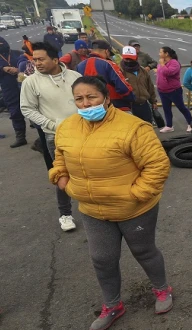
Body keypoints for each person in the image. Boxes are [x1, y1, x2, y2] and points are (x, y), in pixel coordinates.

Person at [49, 76, 173, 330]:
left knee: (144, 251)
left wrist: (135, 194)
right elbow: (60, 156)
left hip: (134, 209)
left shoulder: (133, 127)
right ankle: (113, 305)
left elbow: (157, 165)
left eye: (91, 97)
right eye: (79, 99)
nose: (85, 103)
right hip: (92, 209)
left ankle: (162, 290)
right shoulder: (67, 127)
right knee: (102, 259)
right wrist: (62, 179)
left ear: (106, 98)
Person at [20, 41, 81, 231]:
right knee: (62, 173)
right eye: (35, 59)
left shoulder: (75, 76)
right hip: (55, 136)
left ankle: (97, 206)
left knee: (92, 168)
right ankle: (65, 214)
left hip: (83, 132)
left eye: (41, 59)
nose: (37, 63)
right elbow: (27, 109)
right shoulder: (31, 82)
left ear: (55, 60)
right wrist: (52, 125)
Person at [77, 40, 135, 111]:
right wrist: (132, 98)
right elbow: (123, 87)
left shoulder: (79, 66)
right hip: (113, 106)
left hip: (88, 107)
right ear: (106, 51)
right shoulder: (109, 64)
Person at [155, 46, 192, 132]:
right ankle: (169, 126)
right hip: (162, 91)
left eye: (161, 52)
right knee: (166, 109)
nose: (159, 54)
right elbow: (160, 73)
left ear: (166, 54)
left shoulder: (174, 63)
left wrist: (162, 65)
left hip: (173, 91)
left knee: (181, 107)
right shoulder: (162, 62)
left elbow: (168, 72)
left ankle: (191, 124)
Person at [0, 36, 27, 147]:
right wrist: (3, 68)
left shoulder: (17, 53)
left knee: (34, 107)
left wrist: (18, 69)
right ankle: (20, 137)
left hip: (24, 84)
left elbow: (28, 64)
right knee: (14, 111)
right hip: (8, 88)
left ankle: (42, 133)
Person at [120, 46, 158, 123]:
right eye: (126, 59)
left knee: (147, 125)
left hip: (144, 105)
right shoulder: (119, 72)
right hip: (129, 107)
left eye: (131, 59)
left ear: (136, 58)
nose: (128, 61)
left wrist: (153, 102)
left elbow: (150, 87)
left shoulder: (143, 71)